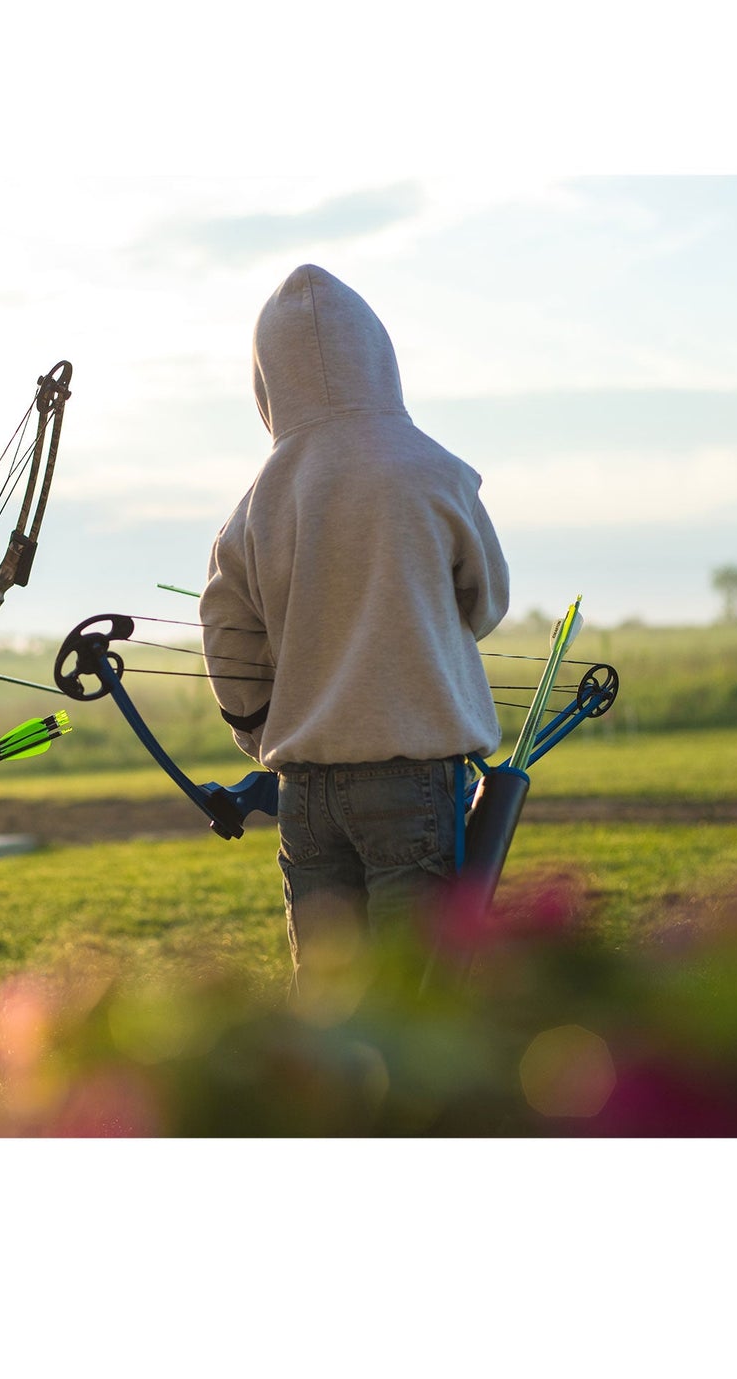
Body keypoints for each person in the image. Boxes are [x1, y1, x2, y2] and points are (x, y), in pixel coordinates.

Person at [200, 264, 510, 983]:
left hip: (304, 789)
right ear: (378, 358)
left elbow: (226, 633)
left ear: (266, 381)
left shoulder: (255, 504)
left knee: (332, 1007)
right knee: (417, 996)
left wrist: (258, 729)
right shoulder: (434, 471)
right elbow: (485, 601)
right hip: (413, 782)